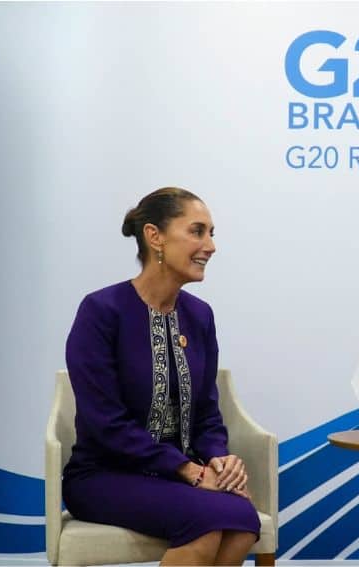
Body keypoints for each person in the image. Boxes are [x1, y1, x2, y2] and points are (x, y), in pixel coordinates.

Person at [63, 187, 260, 565]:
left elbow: (206, 412)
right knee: (205, 520)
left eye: (211, 233)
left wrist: (219, 460)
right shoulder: (101, 311)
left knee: (242, 519)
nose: (211, 246)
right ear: (154, 236)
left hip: (177, 476)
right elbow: (105, 423)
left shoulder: (200, 316)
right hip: (103, 475)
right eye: (197, 231)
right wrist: (189, 470)